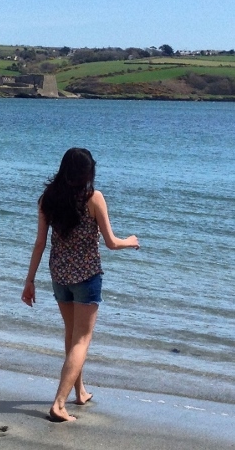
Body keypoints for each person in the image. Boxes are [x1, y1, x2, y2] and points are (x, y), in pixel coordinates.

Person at [21, 148, 139, 423]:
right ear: (87, 173)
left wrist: (29, 280)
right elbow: (110, 243)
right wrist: (130, 240)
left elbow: (39, 243)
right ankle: (59, 404)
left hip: (59, 276)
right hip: (86, 278)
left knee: (73, 335)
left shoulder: (48, 199)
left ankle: (80, 391)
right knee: (82, 340)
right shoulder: (93, 198)